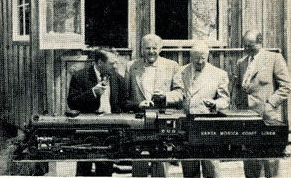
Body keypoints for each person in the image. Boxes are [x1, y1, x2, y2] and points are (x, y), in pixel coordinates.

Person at [232, 30, 291, 178]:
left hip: (268, 119)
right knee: (251, 163)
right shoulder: (241, 63)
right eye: (244, 46)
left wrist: (270, 104)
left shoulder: (274, 59)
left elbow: (286, 86)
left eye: (249, 45)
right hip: (247, 119)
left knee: (270, 162)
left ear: (259, 43)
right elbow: (238, 88)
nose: (246, 49)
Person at [124, 34, 184, 177]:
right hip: (139, 121)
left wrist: (165, 96)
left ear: (160, 48)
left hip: (162, 121)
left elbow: (180, 93)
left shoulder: (172, 66)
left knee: (161, 162)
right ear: (141, 49)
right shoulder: (131, 66)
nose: (151, 51)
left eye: (154, 48)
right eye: (147, 48)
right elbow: (125, 96)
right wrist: (138, 104)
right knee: (139, 162)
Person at [68, 49, 125, 176]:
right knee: (84, 168)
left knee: (105, 170)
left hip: (109, 130)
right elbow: (72, 102)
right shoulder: (80, 76)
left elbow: (123, 103)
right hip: (87, 130)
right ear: (100, 62)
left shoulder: (118, 79)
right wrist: (92, 93)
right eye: (112, 63)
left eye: (116, 63)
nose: (115, 66)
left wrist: (140, 105)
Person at [180, 41, 230, 178]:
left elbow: (225, 100)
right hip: (187, 126)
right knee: (189, 167)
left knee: (211, 167)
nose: (200, 61)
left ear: (207, 56)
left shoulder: (219, 74)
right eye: (197, 58)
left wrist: (214, 104)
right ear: (190, 57)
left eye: (203, 58)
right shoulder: (181, 72)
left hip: (209, 127)